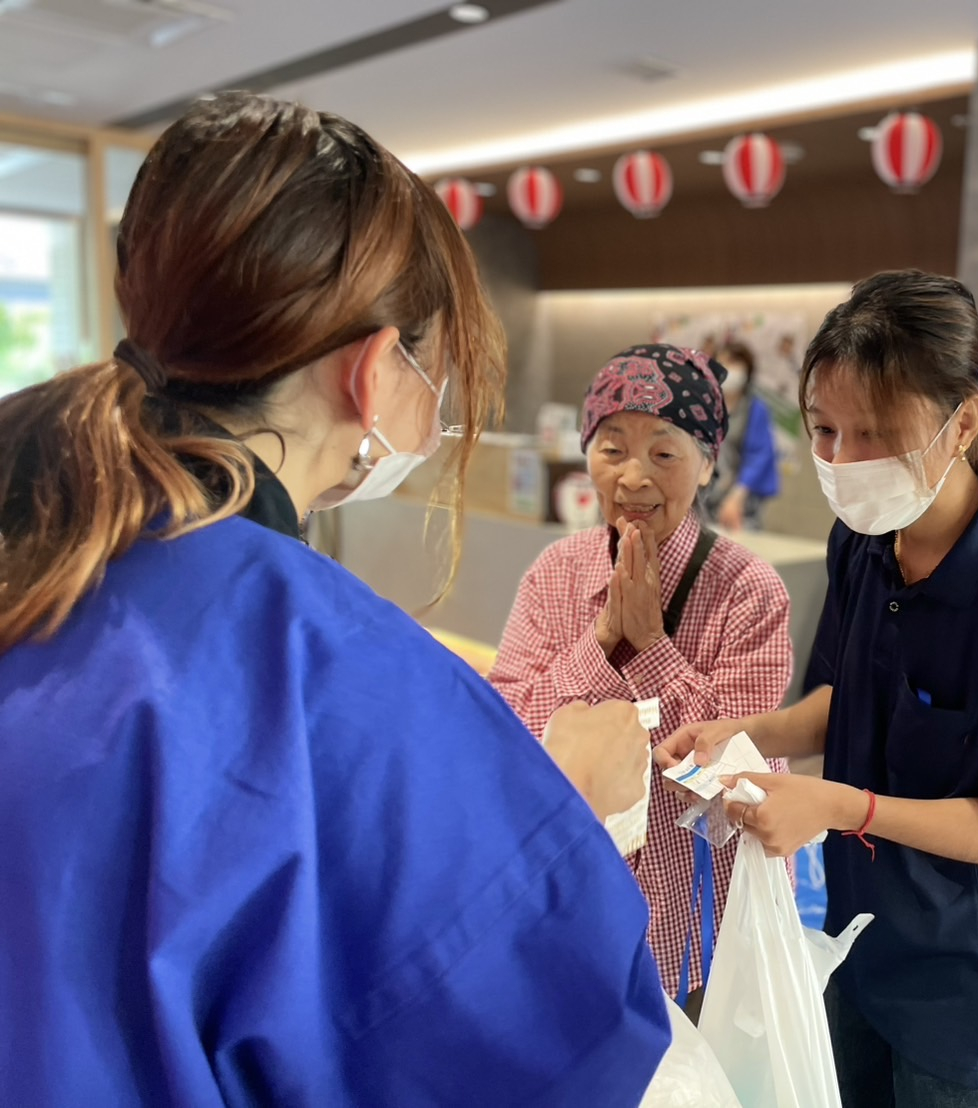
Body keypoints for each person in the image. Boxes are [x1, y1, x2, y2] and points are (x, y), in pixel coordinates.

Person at [0, 93, 669, 1106]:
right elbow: (519, 1034)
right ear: (374, 370)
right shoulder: (333, 669)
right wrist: (567, 809)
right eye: (430, 363)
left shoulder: (44, 531)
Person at [658, 272, 978, 1107]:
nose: (842, 461)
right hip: (857, 951)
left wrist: (839, 806)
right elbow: (852, 700)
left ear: (961, 423)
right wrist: (743, 734)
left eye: (875, 435)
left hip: (967, 997)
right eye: (824, 431)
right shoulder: (862, 543)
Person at [491, 343, 793, 1014]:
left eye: (663, 453)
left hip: (697, 934)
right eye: (611, 449)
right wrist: (601, 639)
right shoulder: (555, 575)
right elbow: (506, 734)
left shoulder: (747, 591)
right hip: (567, 911)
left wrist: (653, 647)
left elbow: (742, 778)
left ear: (707, 464)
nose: (633, 477)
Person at [705, 342, 781, 532]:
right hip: (706, 494)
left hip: (741, 497)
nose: (730, 369)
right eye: (724, 362)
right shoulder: (706, 406)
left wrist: (737, 497)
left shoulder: (755, 409)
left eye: (735, 363)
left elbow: (760, 456)